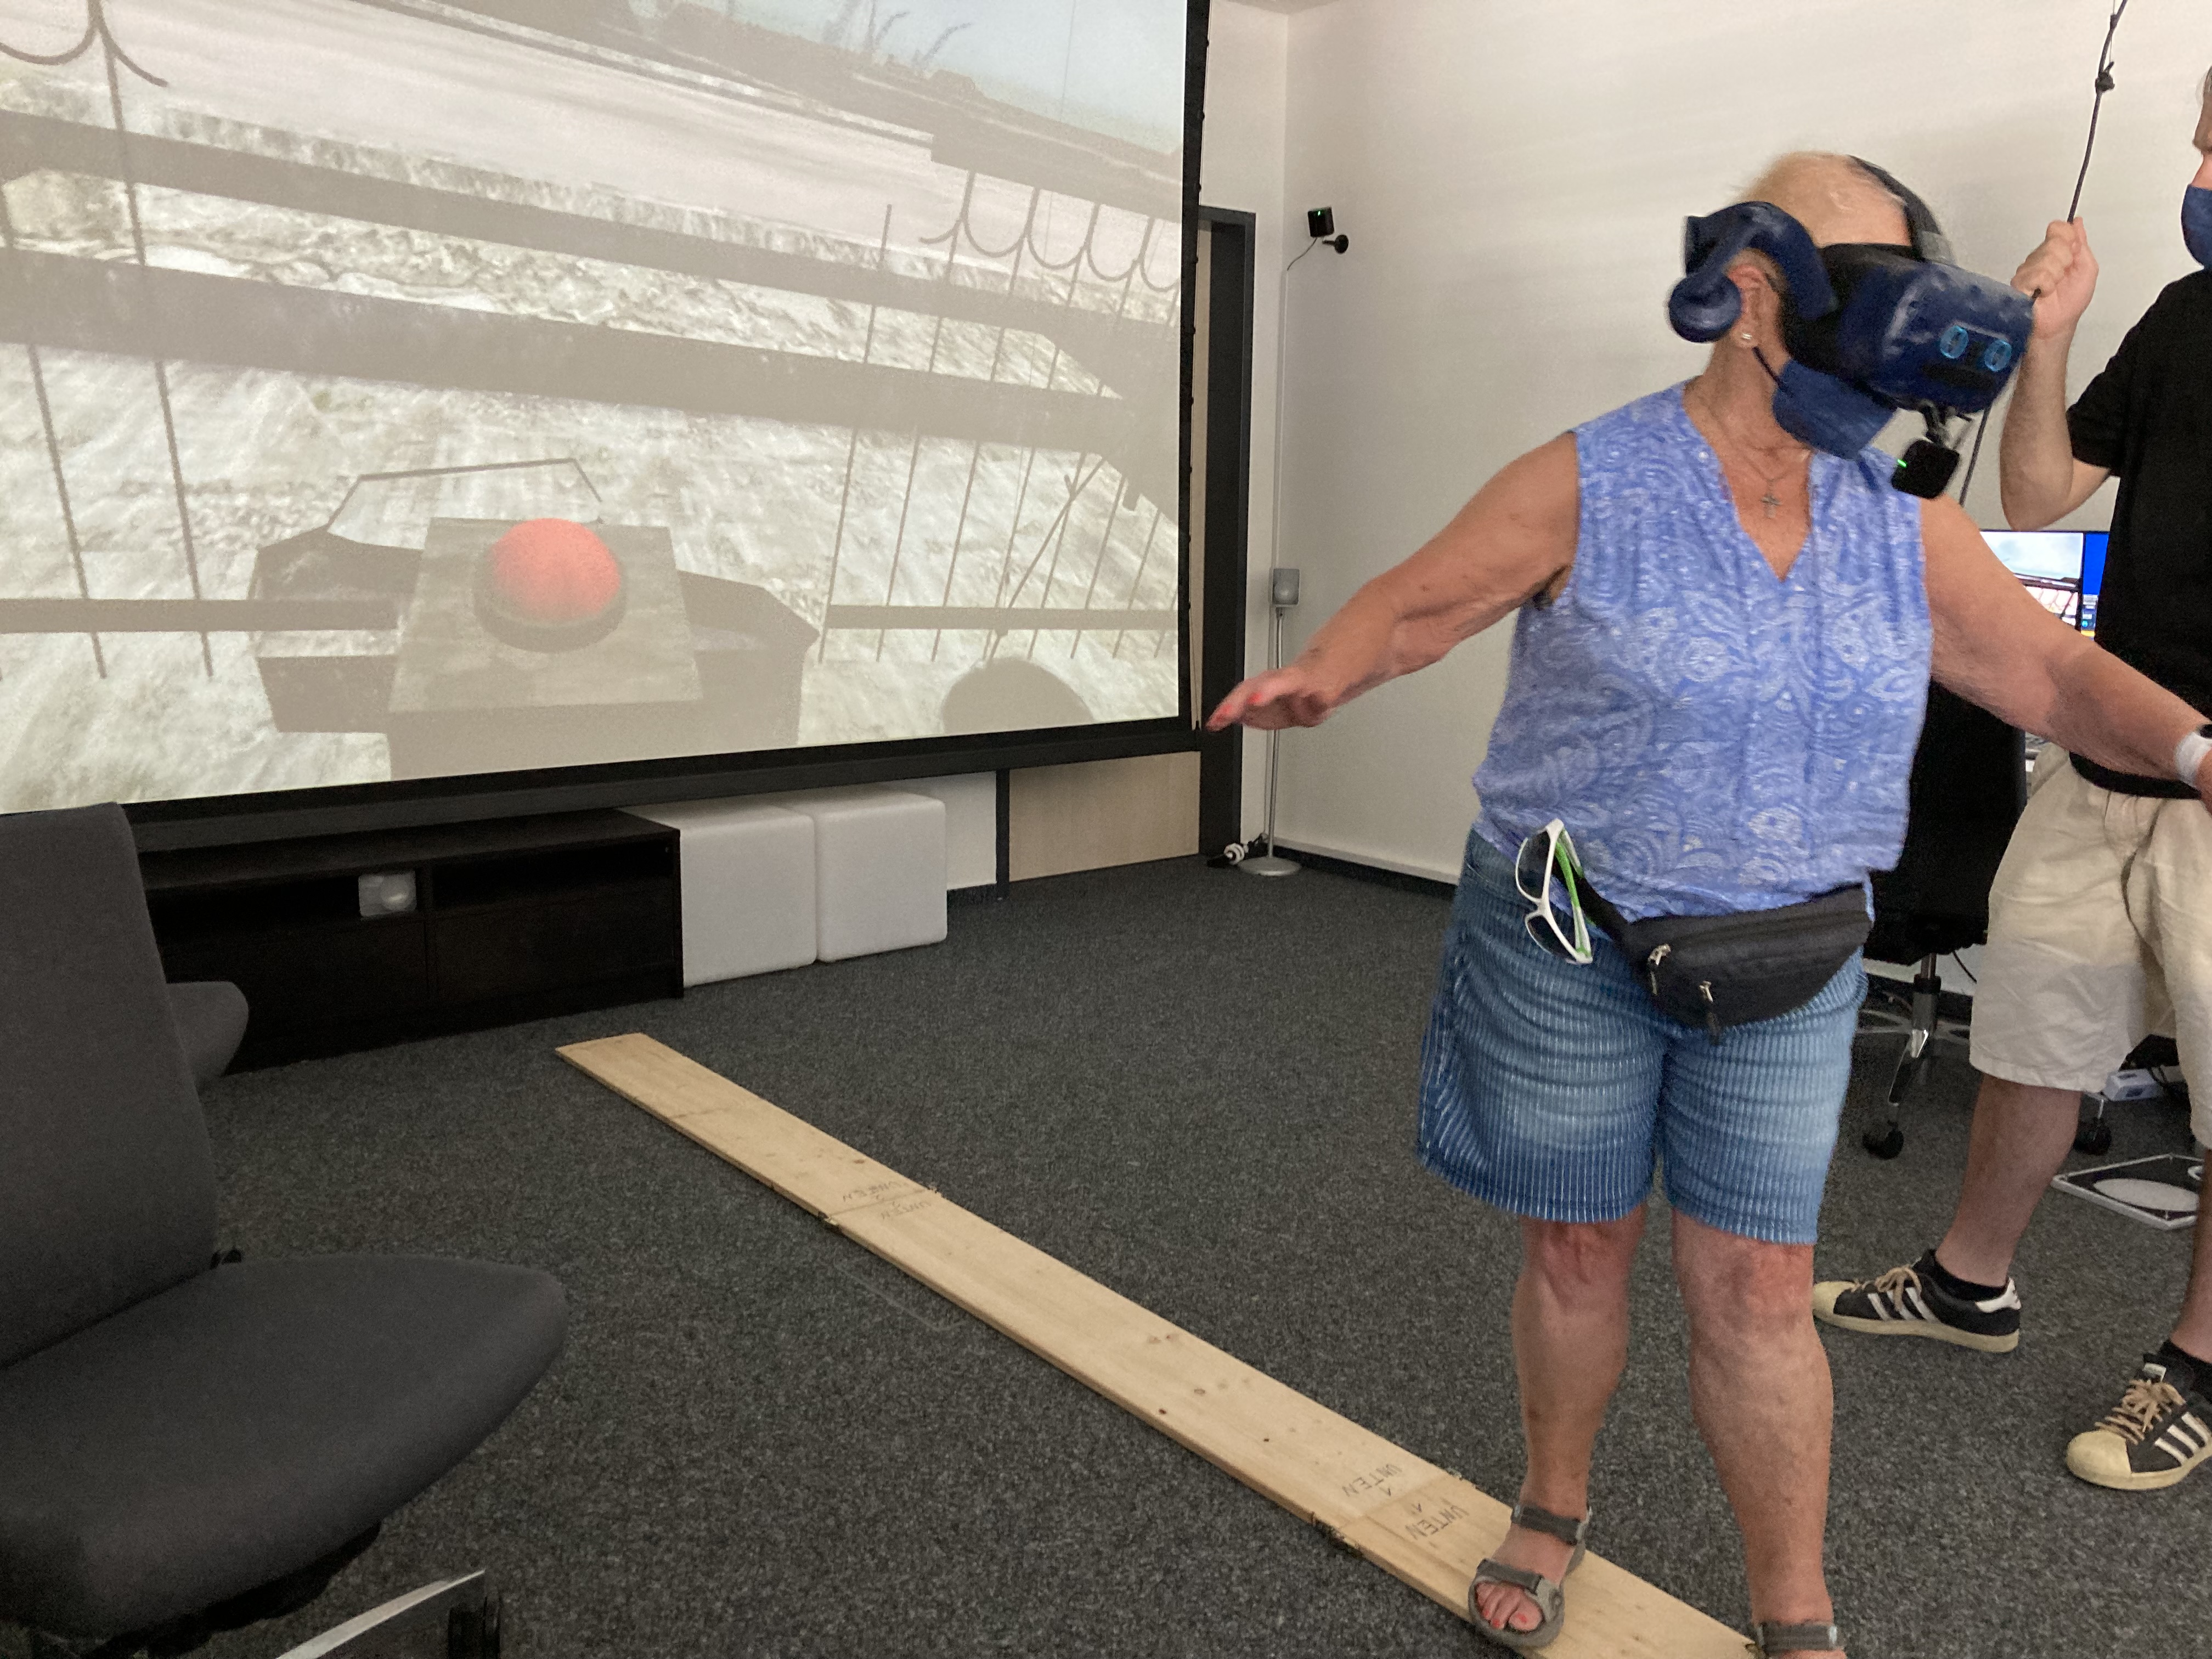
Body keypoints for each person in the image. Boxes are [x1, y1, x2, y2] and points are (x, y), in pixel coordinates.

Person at [1207, 151, 2212, 1658]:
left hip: (1791, 960)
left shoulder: (1906, 530)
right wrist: (1333, 668)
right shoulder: (1590, 476)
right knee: (1579, 1248)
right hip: (1570, 930)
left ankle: (1792, 1608)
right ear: (1753, 294)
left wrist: (2198, 747)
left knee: (1759, 1285)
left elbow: (2058, 677)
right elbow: (1427, 597)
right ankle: (1553, 1499)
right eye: (1871, 273)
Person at [1814, 71, 2212, 1493]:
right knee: (2037, 1029)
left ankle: (2196, 1365)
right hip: (2106, 744)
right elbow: (2037, 493)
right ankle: (1969, 1281)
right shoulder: (2184, 320)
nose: (2200, 164)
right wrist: (2047, 340)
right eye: (2204, 137)